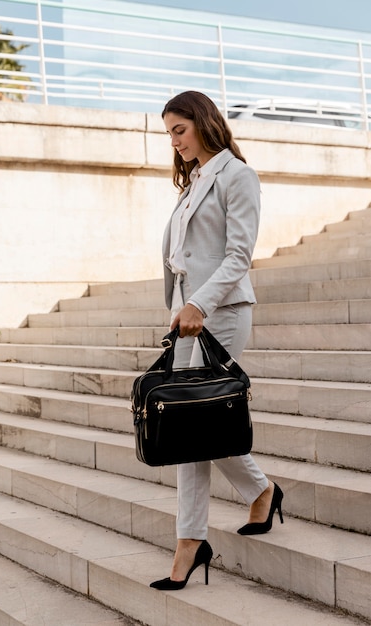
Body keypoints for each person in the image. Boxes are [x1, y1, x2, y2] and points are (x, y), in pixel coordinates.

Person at [150, 91, 284, 591]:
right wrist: (178, 310)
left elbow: (238, 255)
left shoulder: (237, 176)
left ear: (205, 123)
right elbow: (182, 260)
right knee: (198, 421)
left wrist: (199, 305)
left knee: (193, 423)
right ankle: (262, 490)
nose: (175, 141)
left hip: (222, 314)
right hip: (190, 317)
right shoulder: (192, 185)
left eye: (179, 130)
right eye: (169, 133)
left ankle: (189, 542)